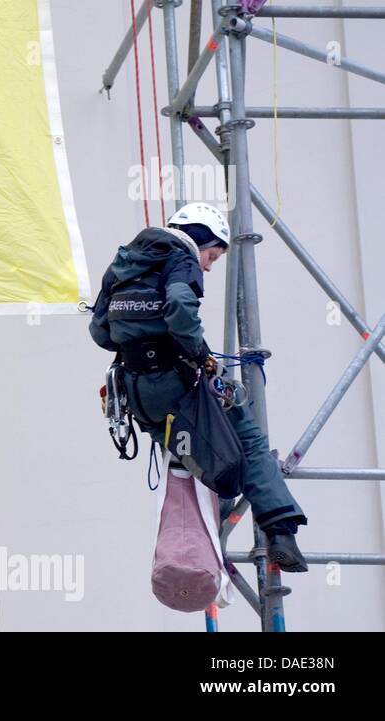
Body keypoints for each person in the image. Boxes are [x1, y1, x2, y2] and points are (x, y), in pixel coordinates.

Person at [89, 202, 308, 572]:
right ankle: (281, 531)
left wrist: (138, 339)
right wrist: (201, 354)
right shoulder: (181, 257)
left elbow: (100, 333)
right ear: (200, 239)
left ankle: (205, 546)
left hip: (138, 395)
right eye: (212, 255)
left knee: (191, 460)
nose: (207, 265)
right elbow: (178, 305)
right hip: (178, 384)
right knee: (247, 442)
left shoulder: (122, 266)